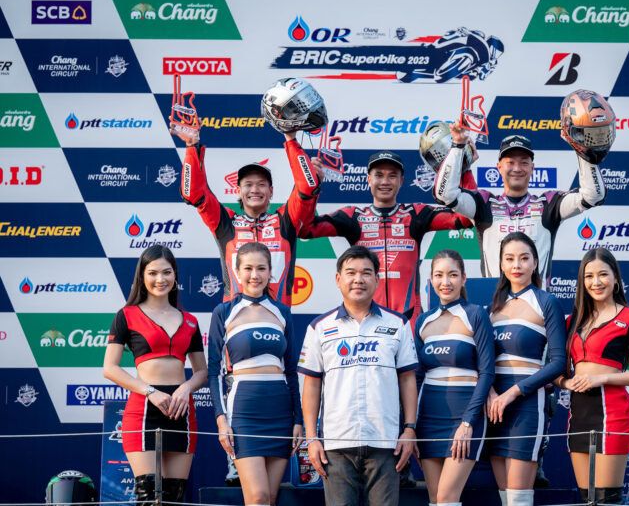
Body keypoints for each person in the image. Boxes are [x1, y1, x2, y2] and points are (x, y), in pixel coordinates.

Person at [432, 88, 616, 283]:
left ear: (532, 168)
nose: (517, 168)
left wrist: (581, 146)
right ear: (499, 167)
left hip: (537, 302)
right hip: (495, 302)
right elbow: (445, 195)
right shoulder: (484, 204)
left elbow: (592, 196)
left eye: (524, 162)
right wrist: (458, 145)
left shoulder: (549, 205)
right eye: (510, 162)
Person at [173, 88, 323, 305]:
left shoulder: (285, 220)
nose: (255, 190)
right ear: (238, 191)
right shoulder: (226, 222)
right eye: (248, 185)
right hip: (235, 319)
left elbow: (307, 187)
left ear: (271, 192)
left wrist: (290, 139)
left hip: (277, 319)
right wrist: (191, 146)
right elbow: (193, 193)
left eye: (261, 184)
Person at [298, 245, 419, 506]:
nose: (358, 279)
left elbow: (407, 379)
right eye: (351, 272)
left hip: (385, 441)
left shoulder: (397, 324)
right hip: (336, 443)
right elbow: (311, 385)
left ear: (377, 279)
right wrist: (311, 438)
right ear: (338, 279)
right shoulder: (320, 327)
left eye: (366, 273)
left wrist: (410, 429)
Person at [301, 150, 475, 322]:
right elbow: (305, 228)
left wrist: (465, 170)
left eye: (392, 176)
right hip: (367, 321)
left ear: (401, 181)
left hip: (409, 321)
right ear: (369, 179)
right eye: (379, 175)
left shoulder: (415, 214)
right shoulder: (353, 217)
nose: (385, 181)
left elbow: (466, 217)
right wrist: (310, 185)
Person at [103, 244, 207, 503]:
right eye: (153, 273)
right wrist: (150, 392)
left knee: (174, 498)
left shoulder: (190, 320)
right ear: (142, 276)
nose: (160, 279)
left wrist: (186, 388)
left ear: (175, 275)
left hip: (181, 411)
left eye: (167, 272)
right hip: (143, 410)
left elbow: (202, 372)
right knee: (148, 497)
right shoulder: (126, 316)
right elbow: (110, 369)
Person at [554, 248, 629, 504]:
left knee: (606, 500)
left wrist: (601, 379)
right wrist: (566, 382)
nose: (596, 282)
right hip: (578, 416)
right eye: (589, 276)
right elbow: (556, 371)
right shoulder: (572, 321)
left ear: (615, 278)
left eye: (603, 274)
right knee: (587, 499)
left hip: (614, 415)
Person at [207, 242, 303, 506]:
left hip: (280, 412)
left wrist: (298, 419)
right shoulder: (224, 312)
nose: (254, 275)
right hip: (244, 412)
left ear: (270, 272)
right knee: (258, 496)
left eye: (261, 268)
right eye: (248, 268)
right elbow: (214, 372)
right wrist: (221, 421)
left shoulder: (282, 312)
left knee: (270, 497)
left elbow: (291, 371)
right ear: (237, 272)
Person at [484, 233, 566, 506]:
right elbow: (483, 361)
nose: (516, 265)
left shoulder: (546, 302)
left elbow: (558, 363)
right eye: (509, 259)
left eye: (524, 258)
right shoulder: (491, 308)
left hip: (527, 406)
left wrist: (513, 393)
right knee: (505, 497)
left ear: (535, 263)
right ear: (501, 264)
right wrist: (491, 393)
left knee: (519, 499)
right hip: (494, 408)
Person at [414, 249, 495, 506]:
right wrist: (411, 425)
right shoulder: (423, 321)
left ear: (463, 278)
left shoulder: (476, 314)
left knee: (447, 498)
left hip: (464, 418)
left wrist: (468, 422)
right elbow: (416, 377)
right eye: (439, 275)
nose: (445, 282)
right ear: (431, 280)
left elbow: (487, 372)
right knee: (435, 499)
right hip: (428, 419)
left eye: (452, 275)